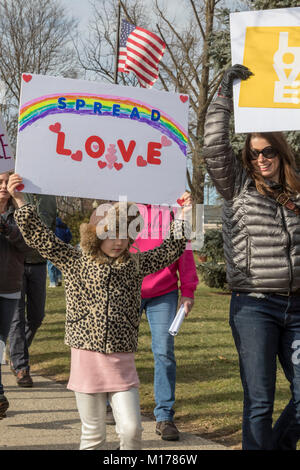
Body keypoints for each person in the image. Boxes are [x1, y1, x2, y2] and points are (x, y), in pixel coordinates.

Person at [7, 173, 192, 450]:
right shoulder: (73, 259)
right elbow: (41, 238)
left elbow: (171, 250)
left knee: (131, 431)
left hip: (122, 360)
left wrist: (186, 214)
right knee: (93, 436)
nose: (117, 241)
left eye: (124, 234)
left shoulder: (135, 263)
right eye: (110, 234)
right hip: (86, 358)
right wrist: (20, 200)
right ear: (96, 235)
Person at [203, 63, 300, 450]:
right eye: (254, 152)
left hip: (297, 307)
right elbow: (212, 144)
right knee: (259, 401)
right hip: (254, 307)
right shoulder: (238, 187)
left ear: (281, 150)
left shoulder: (297, 192)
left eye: (268, 150)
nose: (261, 157)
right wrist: (225, 90)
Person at [132, 203, 198, 441]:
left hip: (164, 291)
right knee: (119, 349)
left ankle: (164, 416)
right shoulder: (126, 204)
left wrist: (188, 290)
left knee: (164, 352)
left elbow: (186, 249)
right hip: (128, 288)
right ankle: (111, 401)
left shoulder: (174, 209)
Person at [8, 192, 56, 387]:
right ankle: (21, 367)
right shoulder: (15, 192)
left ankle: (16, 351)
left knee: (37, 317)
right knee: (16, 318)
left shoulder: (50, 198)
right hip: (15, 262)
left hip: (38, 263)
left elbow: (51, 228)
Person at [0, 172, 30, 419]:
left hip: (9, 286)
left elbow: (28, 244)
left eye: (5, 183)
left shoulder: (19, 213)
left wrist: (6, 228)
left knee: (0, 341)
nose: (2, 187)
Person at [47, 215, 72, 287]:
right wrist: (65, 242)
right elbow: (69, 236)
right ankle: (59, 279)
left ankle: (52, 282)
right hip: (62, 247)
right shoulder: (64, 226)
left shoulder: (50, 226)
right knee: (59, 264)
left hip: (52, 247)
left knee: (50, 265)